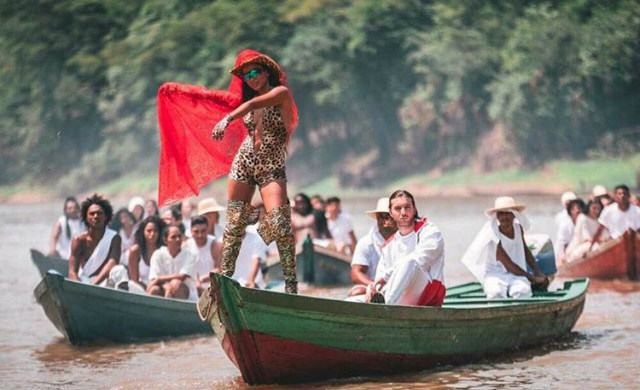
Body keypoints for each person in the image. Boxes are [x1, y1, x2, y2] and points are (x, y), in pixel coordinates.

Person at [207, 50, 299, 294]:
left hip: (271, 165)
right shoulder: (247, 103)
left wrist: (227, 120)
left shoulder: (280, 94)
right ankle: (225, 279)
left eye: (255, 73)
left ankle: (291, 286)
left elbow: (255, 103)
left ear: (267, 72)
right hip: (245, 161)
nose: (251, 78)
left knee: (280, 223)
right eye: (246, 76)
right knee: (234, 223)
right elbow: (235, 102)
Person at [365, 190, 446, 306]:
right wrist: (371, 288)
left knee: (410, 261)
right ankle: (380, 306)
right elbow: (379, 281)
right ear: (391, 213)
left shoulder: (430, 232)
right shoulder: (388, 246)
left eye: (407, 207)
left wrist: (386, 276)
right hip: (400, 299)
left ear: (414, 210)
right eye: (398, 209)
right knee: (355, 297)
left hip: (427, 297)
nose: (403, 213)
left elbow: (419, 261)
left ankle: (386, 307)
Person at [461, 196, 548, 299]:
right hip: (495, 274)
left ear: (514, 215)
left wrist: (538, 271)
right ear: (497, 217)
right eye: (501, 214)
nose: (504, 217)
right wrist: (532, 278)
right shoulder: (493, 234)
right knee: (495, 293)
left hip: (517, 274)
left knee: (522, 291)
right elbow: (507, 263)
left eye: (507, 213)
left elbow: (525, 251)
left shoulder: (518, 229)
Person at [69, 194, 126, 287]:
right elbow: (72, 271)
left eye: (99, 213)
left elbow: (112, 263)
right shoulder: (78, 240)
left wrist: (94, 285)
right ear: (86, 217)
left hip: (105, 282)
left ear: (105, 217)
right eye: (92, 214)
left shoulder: (114, 238)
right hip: (85, 282)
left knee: (120, 270)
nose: (95, 216)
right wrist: (78, 287)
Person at [347, 197, 397, 298]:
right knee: (356, 292)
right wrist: (374, 285)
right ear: (377, 217)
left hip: (399, 286)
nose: (386, 220)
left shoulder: (407, 239)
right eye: (382, 216)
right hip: (373, 287)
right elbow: (356, 273)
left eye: (389, 216)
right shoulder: (366, 243)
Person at [147, 224, 198, 300]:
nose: (177, 239)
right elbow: (154, 278)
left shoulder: (190, 254)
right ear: (165, 240)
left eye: (179, 236)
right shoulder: (158, 254)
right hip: (164, 288)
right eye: (173, 237)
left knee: (176, 284)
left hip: (187, 294)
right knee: (154, 290)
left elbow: (182, 277)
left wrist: (159, 279)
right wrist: (167, 287)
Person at [127, 216, 165, 293]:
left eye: (155, 231)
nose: (152, 234)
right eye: (149, 231)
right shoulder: (135, 251)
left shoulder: (164, 251)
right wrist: (147, 289)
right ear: (143, 232)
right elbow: (134, 281)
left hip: (159, 289)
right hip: (139, 289)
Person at [185, 216, 221, 295]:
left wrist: (202, 279)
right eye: (196, 231)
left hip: (210, 286)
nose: (200, 235)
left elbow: (219, 269)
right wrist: (196, 281)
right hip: (191, 286)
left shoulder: (214, 244)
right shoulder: (186, 245)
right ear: (191, 231)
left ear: (207, 229)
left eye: (203, 231)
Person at [555, 198, 586, 264]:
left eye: (579, 208)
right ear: (570, 211)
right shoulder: (566, 225)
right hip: (567, 254)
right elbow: (561, 243)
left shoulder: (585, 223)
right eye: (574, 209)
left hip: (581, 251)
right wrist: (562, 258)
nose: (577, 211)